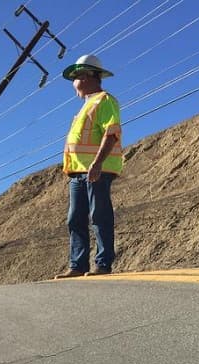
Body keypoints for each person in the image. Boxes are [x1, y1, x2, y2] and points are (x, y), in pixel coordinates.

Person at [55, 54, 124, 279]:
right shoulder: (85, 107)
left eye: (75, 78)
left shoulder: (104, 100)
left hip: (96, 170)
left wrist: (97, 163)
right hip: (78, 173)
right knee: (75, 218)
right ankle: (78, 265)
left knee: (99, 215)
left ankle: (103, 264)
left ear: (85, 76)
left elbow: (111, 133)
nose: (73, 84)